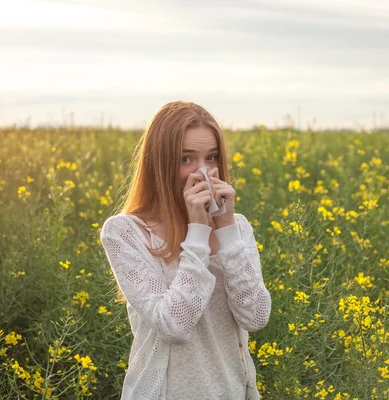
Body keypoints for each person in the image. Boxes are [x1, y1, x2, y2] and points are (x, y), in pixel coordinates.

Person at [99, 101, 272, 399]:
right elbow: (174, 325)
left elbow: (255, 317)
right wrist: (198, 232)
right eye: (186, 159)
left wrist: (226, 227)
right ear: (160, 163)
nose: (203, 172)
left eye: (211, 157)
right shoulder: (125, 231)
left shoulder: (237, 227)